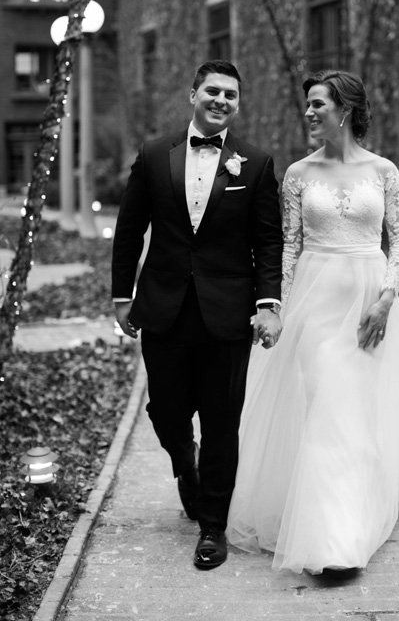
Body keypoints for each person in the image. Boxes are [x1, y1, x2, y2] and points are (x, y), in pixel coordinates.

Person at [226, 69, 399, 574]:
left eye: (318, 104)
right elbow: (289, 246)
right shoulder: (296, 174)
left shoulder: (384, 171)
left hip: (369, 303)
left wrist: (386, 299)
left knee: (355, 411)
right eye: (309, 104)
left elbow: (398, 238)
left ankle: (353, 517)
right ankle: (333, 545)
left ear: (347, 110)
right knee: (328, 406)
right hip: (313, 306)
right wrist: (275, 307)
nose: (309, 112)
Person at [111, 60, 283, 570]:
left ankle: (213, 526)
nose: (221, 100)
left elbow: (267, 241)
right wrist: (123, 295)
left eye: (231, 94)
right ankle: (185, 465)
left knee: (222, 420)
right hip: (163, 307)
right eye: (213, 91)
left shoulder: (255, 162)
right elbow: (128, 229)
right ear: (193, 94)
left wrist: (268, 304)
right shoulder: (152, 154)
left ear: (237, 103)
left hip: (228, 315)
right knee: (165, 410)